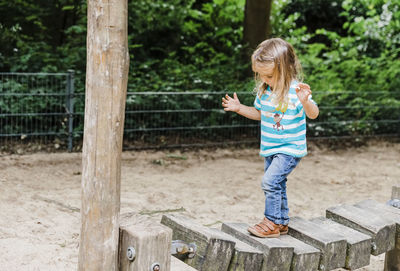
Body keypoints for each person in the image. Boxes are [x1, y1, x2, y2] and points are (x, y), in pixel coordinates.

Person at [221, 38, 319, 238]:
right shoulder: (265, 92)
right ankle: (282, 222)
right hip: (270, 148)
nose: (264, 79)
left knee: (269, 181)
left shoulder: (297, 91)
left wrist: (306, 101)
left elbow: (313, 114)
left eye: (269, 75)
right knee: (277, 183)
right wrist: (239, 108)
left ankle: (272, 221)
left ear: (285, 69)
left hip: (289, 148)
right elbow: (260, 114)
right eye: (261, 75)